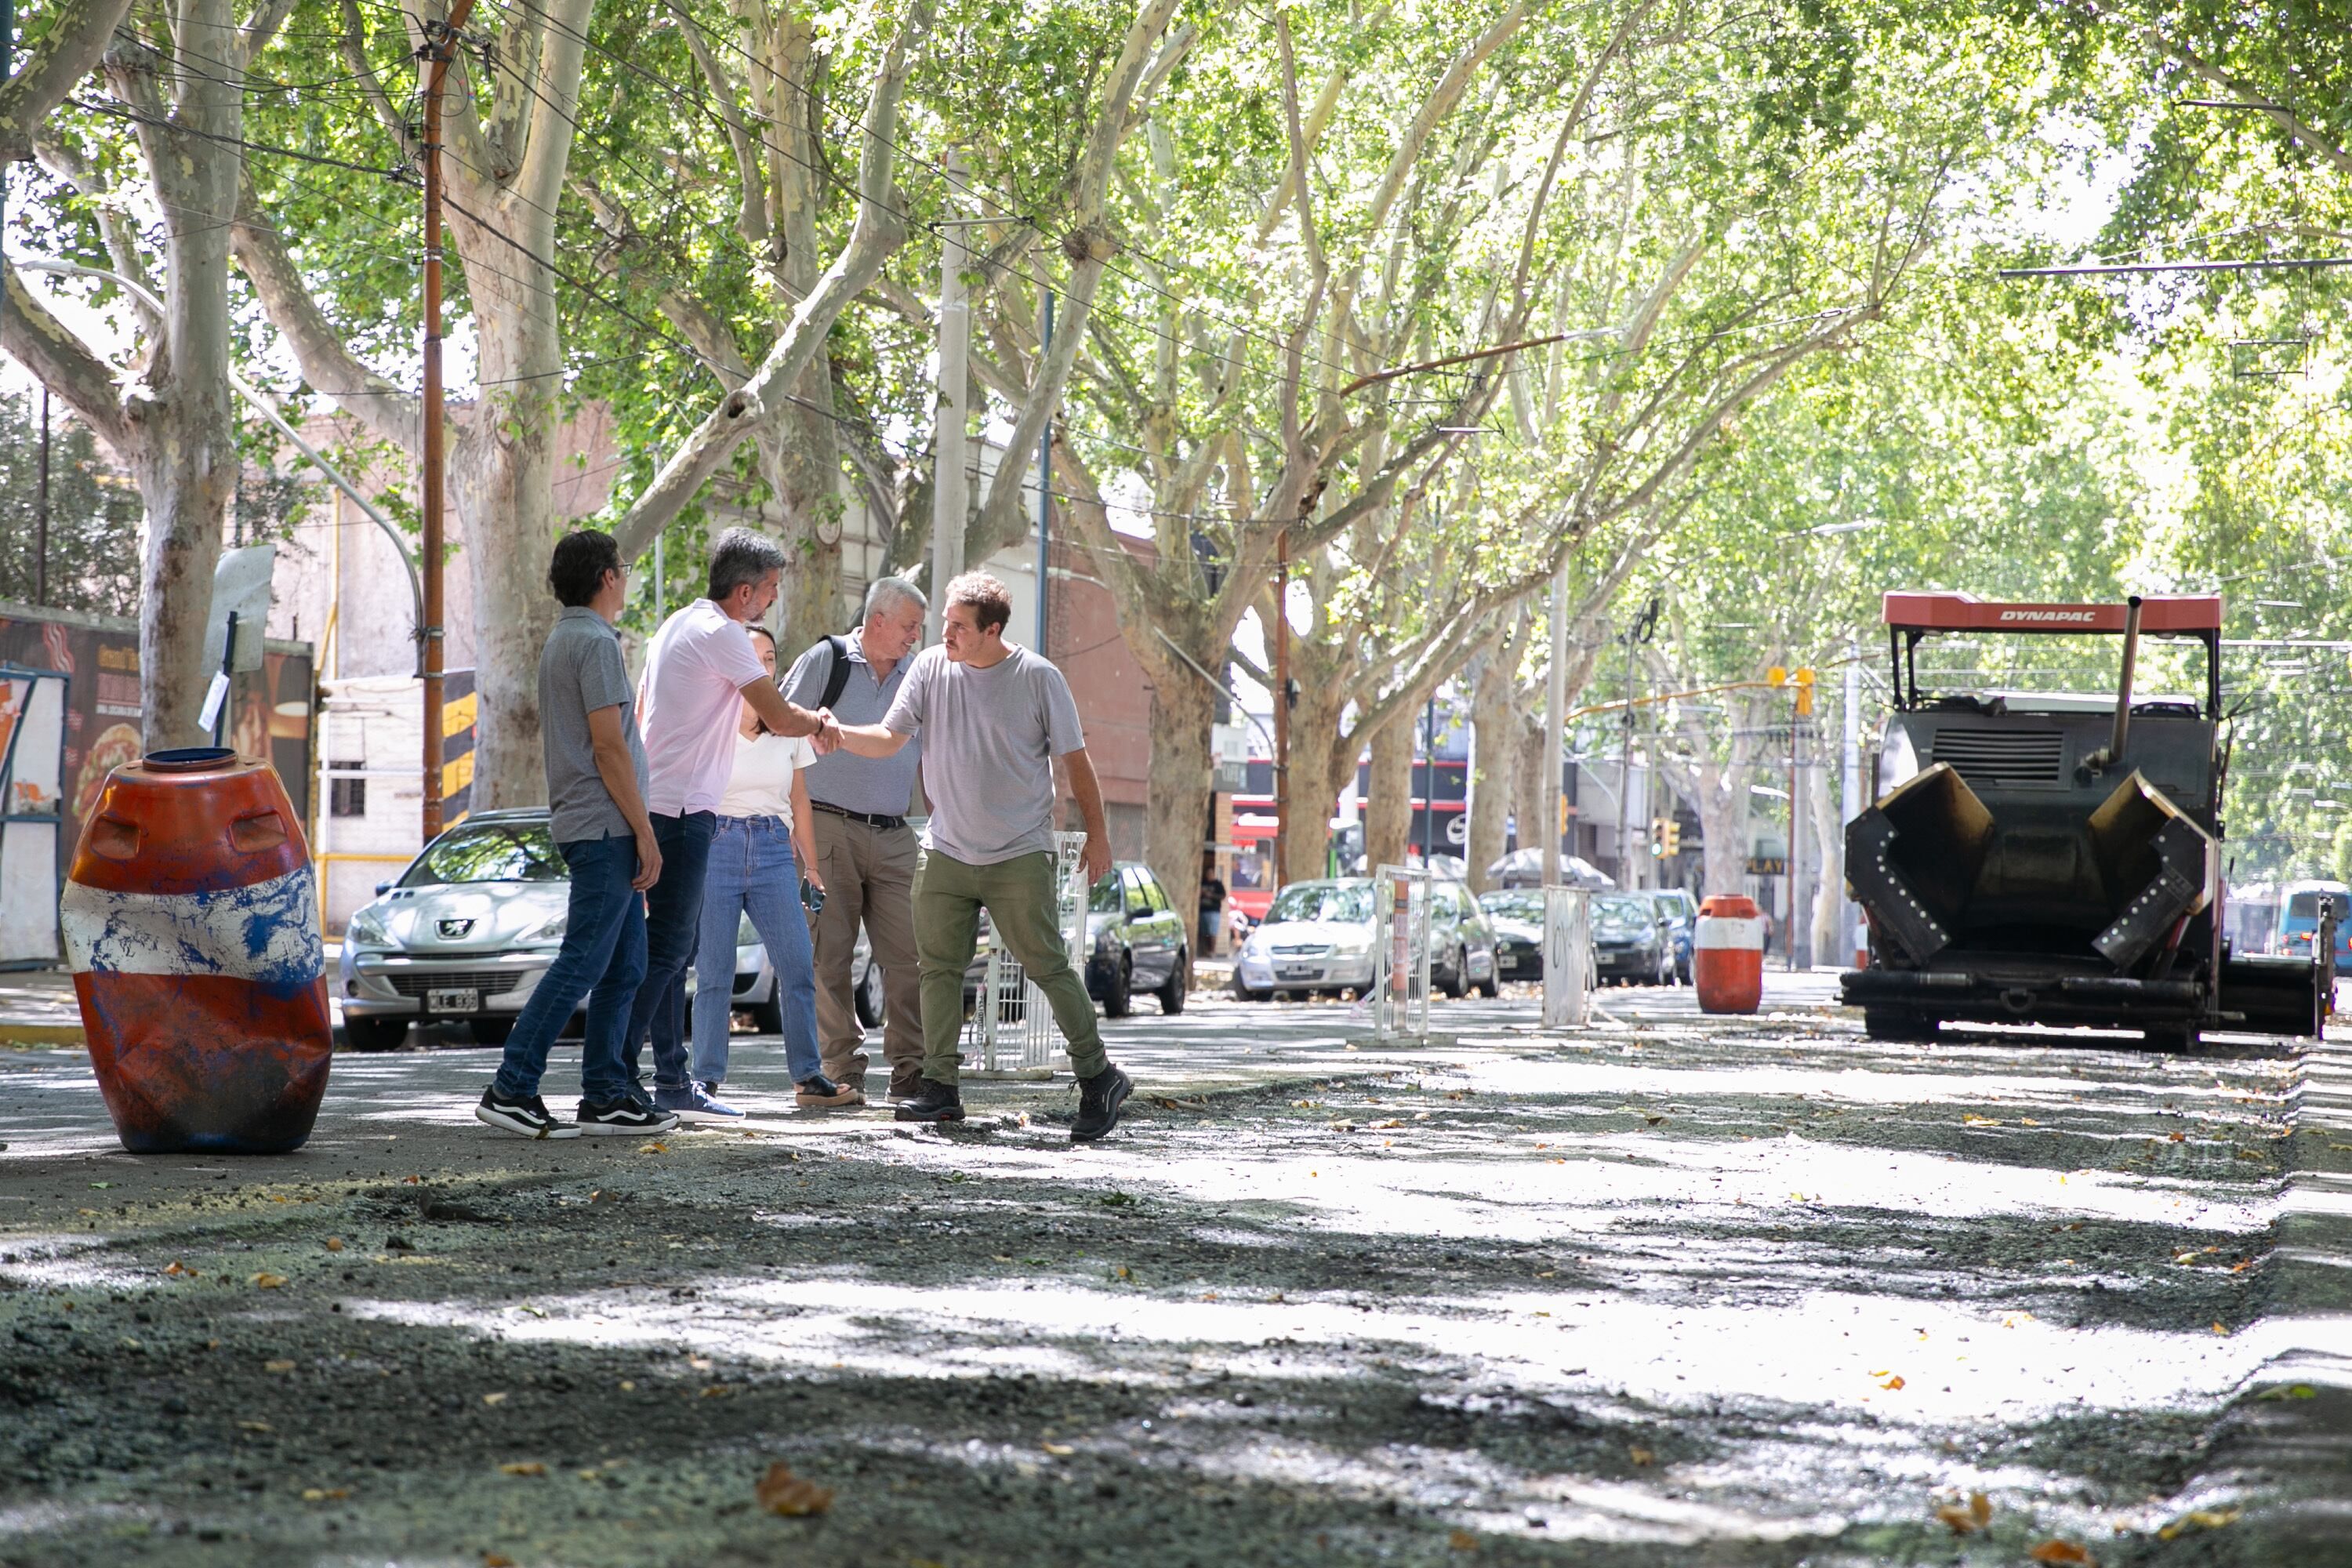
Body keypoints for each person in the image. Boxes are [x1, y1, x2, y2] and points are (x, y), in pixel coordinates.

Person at [834, 571, 1134, 1142]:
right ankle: (940, 1089)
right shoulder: (929, 669)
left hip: (1018, 851)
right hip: (945, 848)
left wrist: (1099, 836)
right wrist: (834, 733)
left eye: (957, 627)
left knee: (1046, 964)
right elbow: (890, 738)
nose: (944, 634)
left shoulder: (1038, 677)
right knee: (938, 970)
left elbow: (1076, 761)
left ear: (993, 630)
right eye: (943, 622)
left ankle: (1098, 1076)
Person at [625, 528, 845, 1122]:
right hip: (684, 811)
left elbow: (645, 712)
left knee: (671, 955)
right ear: (745, 592)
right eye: (770, 590)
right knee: (672, 956)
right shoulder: (724, 635)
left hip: (665, 803)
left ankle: (668, 1082)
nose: (773, 600)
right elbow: (775, 712)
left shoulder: (676, 623)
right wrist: (820, 719)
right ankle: (622, 1076)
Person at [475, 530, 675, 1138]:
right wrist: (645, 830)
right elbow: (608, 746)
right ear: (608, 577)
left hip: (598, 823)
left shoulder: (569, 638)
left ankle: (607, 1093)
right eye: (625, 567)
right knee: (585, 961)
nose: (628, 576)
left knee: (625, 967)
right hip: (605, 825)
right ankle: (512, 1087)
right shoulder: (593, 641)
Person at [687, 626, 855, 1116]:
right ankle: (705, 1082)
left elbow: (799, 798)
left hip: (773, 849)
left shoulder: (789, 725)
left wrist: (813, 866)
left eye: (770, 658)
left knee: (799, 965)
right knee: (715, 973)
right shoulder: (708, 721)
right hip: (716, 844)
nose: (763, 666)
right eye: (751, 656)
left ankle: (808, 1075)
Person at [781, 577, 927, 1099]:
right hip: (826, 826)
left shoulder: (919, 674)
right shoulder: (828, 660)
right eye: (909, 625)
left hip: (894, 834)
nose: (916, 636)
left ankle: (911, 1069)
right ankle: (841, 1069)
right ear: (879, 620)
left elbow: (929, 763)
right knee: (829, 957)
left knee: (913, 956)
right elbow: (778, 728)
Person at [1198, 861, 1227, 956]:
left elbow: (1223, 896)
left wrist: (1211, 895)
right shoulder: (1202, 883)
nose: (1209, 875)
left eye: (1211, 873)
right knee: (1203, 932)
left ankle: (1212, 951)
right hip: (1203, 911)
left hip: (1214, 911)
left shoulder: (1218, 884)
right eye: (1208, 873)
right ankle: (1204, 951)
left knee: (1212, 932)